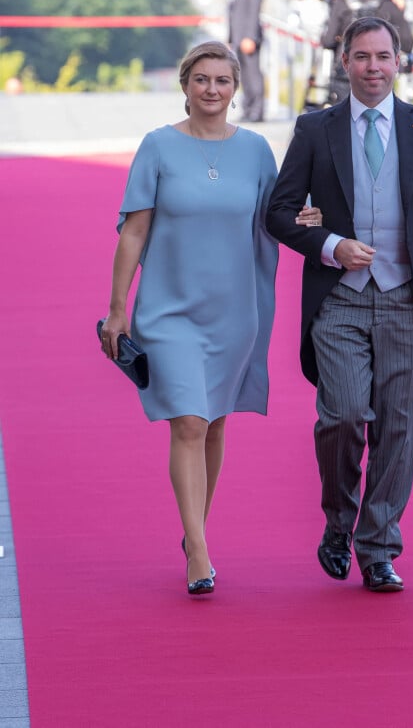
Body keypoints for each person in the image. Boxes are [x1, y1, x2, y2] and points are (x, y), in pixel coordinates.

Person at [99, 41, 321, 597]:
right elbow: (134, 231)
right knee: (190, 421)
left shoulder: (255, 151)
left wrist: (307, 219)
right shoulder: (157, 147)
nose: (212, 90)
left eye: (222, 80)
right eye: (202, 79)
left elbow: (274, 220)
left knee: (216, 421)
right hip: (169, 310)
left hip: (234, 310)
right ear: (185, 84)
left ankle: (193, 525)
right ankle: (198, 547)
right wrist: (117, 310)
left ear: (235, 87)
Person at [266, 17, 413, 593]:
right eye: (362, 57)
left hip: (411, 301)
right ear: (344, 62)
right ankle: (339, 520)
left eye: (383, 56)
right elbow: (279, 212)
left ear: (400, 61)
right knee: (341, 414)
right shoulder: (315, 129)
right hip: (340, 301)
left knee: (399, 429)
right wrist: (331, 244)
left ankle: (378, 547)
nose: (373, 67)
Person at [320, 0, 413, 103]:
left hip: (345, 76)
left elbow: (328, 40)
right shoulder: (390, 5)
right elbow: (407, 42)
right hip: (380, 77)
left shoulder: (342, 3)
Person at [227, 0, 265, 122]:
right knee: (243, 75)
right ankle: (248, 109)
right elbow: (233, 15)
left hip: (249, 38)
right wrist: (231, 38)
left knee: (253, 74)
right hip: (238, 38)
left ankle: (257, 110)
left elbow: (253, 14)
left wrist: (250, 37)